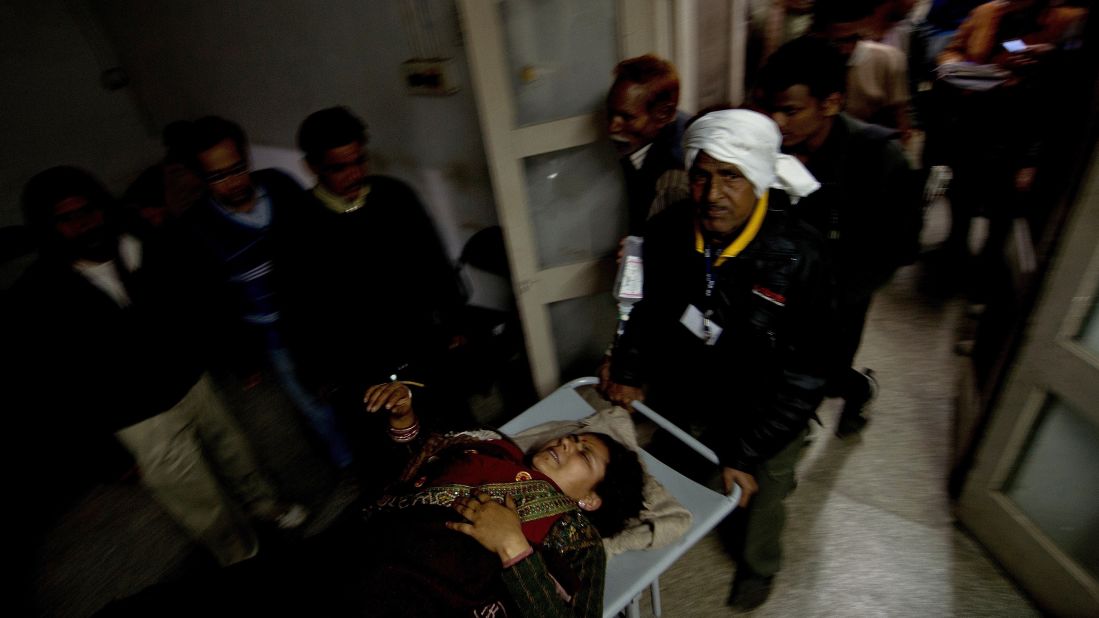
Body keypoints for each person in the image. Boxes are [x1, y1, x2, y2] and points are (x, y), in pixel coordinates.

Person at [100, 381, 645, 617]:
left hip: (409, 596)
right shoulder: (490, 447)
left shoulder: (575, 537)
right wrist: (405, 422)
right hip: (344, 552)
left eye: (584, 456)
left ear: (591, 500)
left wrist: (513, 548)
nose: (565, 443)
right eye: (571, 437)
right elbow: (398, 483)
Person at [10, 166, 305, 568]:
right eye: (67, 218)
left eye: (90, 209)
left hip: (191, 380)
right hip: (139, 418)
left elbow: (195, 301)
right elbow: (54, 386)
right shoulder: (38, 294)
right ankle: (241, 556)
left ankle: (268, 508)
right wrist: (103, 455)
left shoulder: (142, 242)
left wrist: (232, 353)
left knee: (238, 455)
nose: (84, 223)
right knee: (196, 497)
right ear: (49, 227)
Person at [599, 109, 833, 611]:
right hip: (692, 389)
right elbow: (642, 309)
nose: (712, 194)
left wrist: (746, 453)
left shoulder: (798, 257)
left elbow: (806, 373)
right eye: (701, 175)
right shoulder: (667, 232)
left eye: (731, 176)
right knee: (658, 470)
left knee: (761, 494)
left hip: (765, 406)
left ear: (760, 179)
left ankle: (758, 565)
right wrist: (629, 369)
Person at [752, 36, 919, 437]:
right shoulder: (766, 148)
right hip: (773, 292)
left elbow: (897, 248)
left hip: (836, 300)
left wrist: (834, 299)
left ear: (831, 102)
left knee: (822, 374)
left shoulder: (879, 158)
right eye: (770, 109)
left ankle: (856, 389)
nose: (777, 122)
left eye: (790, 110)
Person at [179, 116, 356, 471]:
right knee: (313, 402)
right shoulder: (197, 228)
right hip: (273, 332)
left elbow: (322, 245)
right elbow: (211, 302)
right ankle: (348, 465)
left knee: (352, 380)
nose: (233, 182)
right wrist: (241, 357)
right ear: (200, 178)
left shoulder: (279, 185)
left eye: (238, 168)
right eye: (217, 176)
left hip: (319, 311)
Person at [292, 107, 467, 431]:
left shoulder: (395, 196)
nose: (355, 174)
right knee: (392, 442)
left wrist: (454, 321)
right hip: (359, 365)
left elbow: (435, 261)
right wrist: (319, 374)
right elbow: (299, 307)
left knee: (453, 422)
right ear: (312, 166)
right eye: (339, 168)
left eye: (360, 161)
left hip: (421, 343)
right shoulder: (298, 224)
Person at [606, 55, 691, 234]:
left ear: (663, 114)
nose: (612, 127)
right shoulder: (649, 134)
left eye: (627, 117)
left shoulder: (674, 177)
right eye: (611, 113)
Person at [813, 0, 912, 138]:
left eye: (853, 39)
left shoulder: (888, 60)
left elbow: (900, 125)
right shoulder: (805, 61)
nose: (845, 50)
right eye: (836, 41)